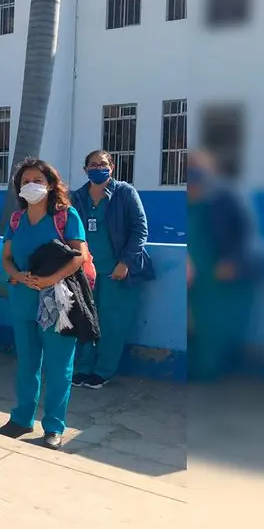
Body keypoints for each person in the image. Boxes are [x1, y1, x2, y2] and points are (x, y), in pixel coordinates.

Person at [0, 158, 86, 450]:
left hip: (59, 303)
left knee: (59, 366)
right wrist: (17, 276)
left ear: (50, 185)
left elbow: (79, 256)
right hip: (23, 300)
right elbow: (7, 258)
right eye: (25, 181)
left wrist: (50, 280)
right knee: (27, 363)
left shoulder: (65, 216)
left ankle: (53, 427)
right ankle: (22, 418)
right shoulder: (16, 220)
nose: (31, 185)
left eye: (37, 180)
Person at [71, 150, 155, 389]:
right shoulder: (77, 198)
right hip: (85, 272)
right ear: (85, 170)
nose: (98, 168)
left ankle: (103, 371)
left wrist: (125, 262)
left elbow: (140, 230)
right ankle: (84, 367)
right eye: (93, 165)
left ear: (112, 167)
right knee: (84, 320)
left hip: (117, 272)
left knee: (112, 322)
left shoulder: (124, 193)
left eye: (102, 164)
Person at [186, 149, 259, 382]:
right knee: (195, 323)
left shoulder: (224, 197)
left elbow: (245, 233)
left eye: (198, 167)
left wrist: (233, 262)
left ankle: (209, 371)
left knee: (213, 324)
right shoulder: (188, 200)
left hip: (219, 272)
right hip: (193, 273)